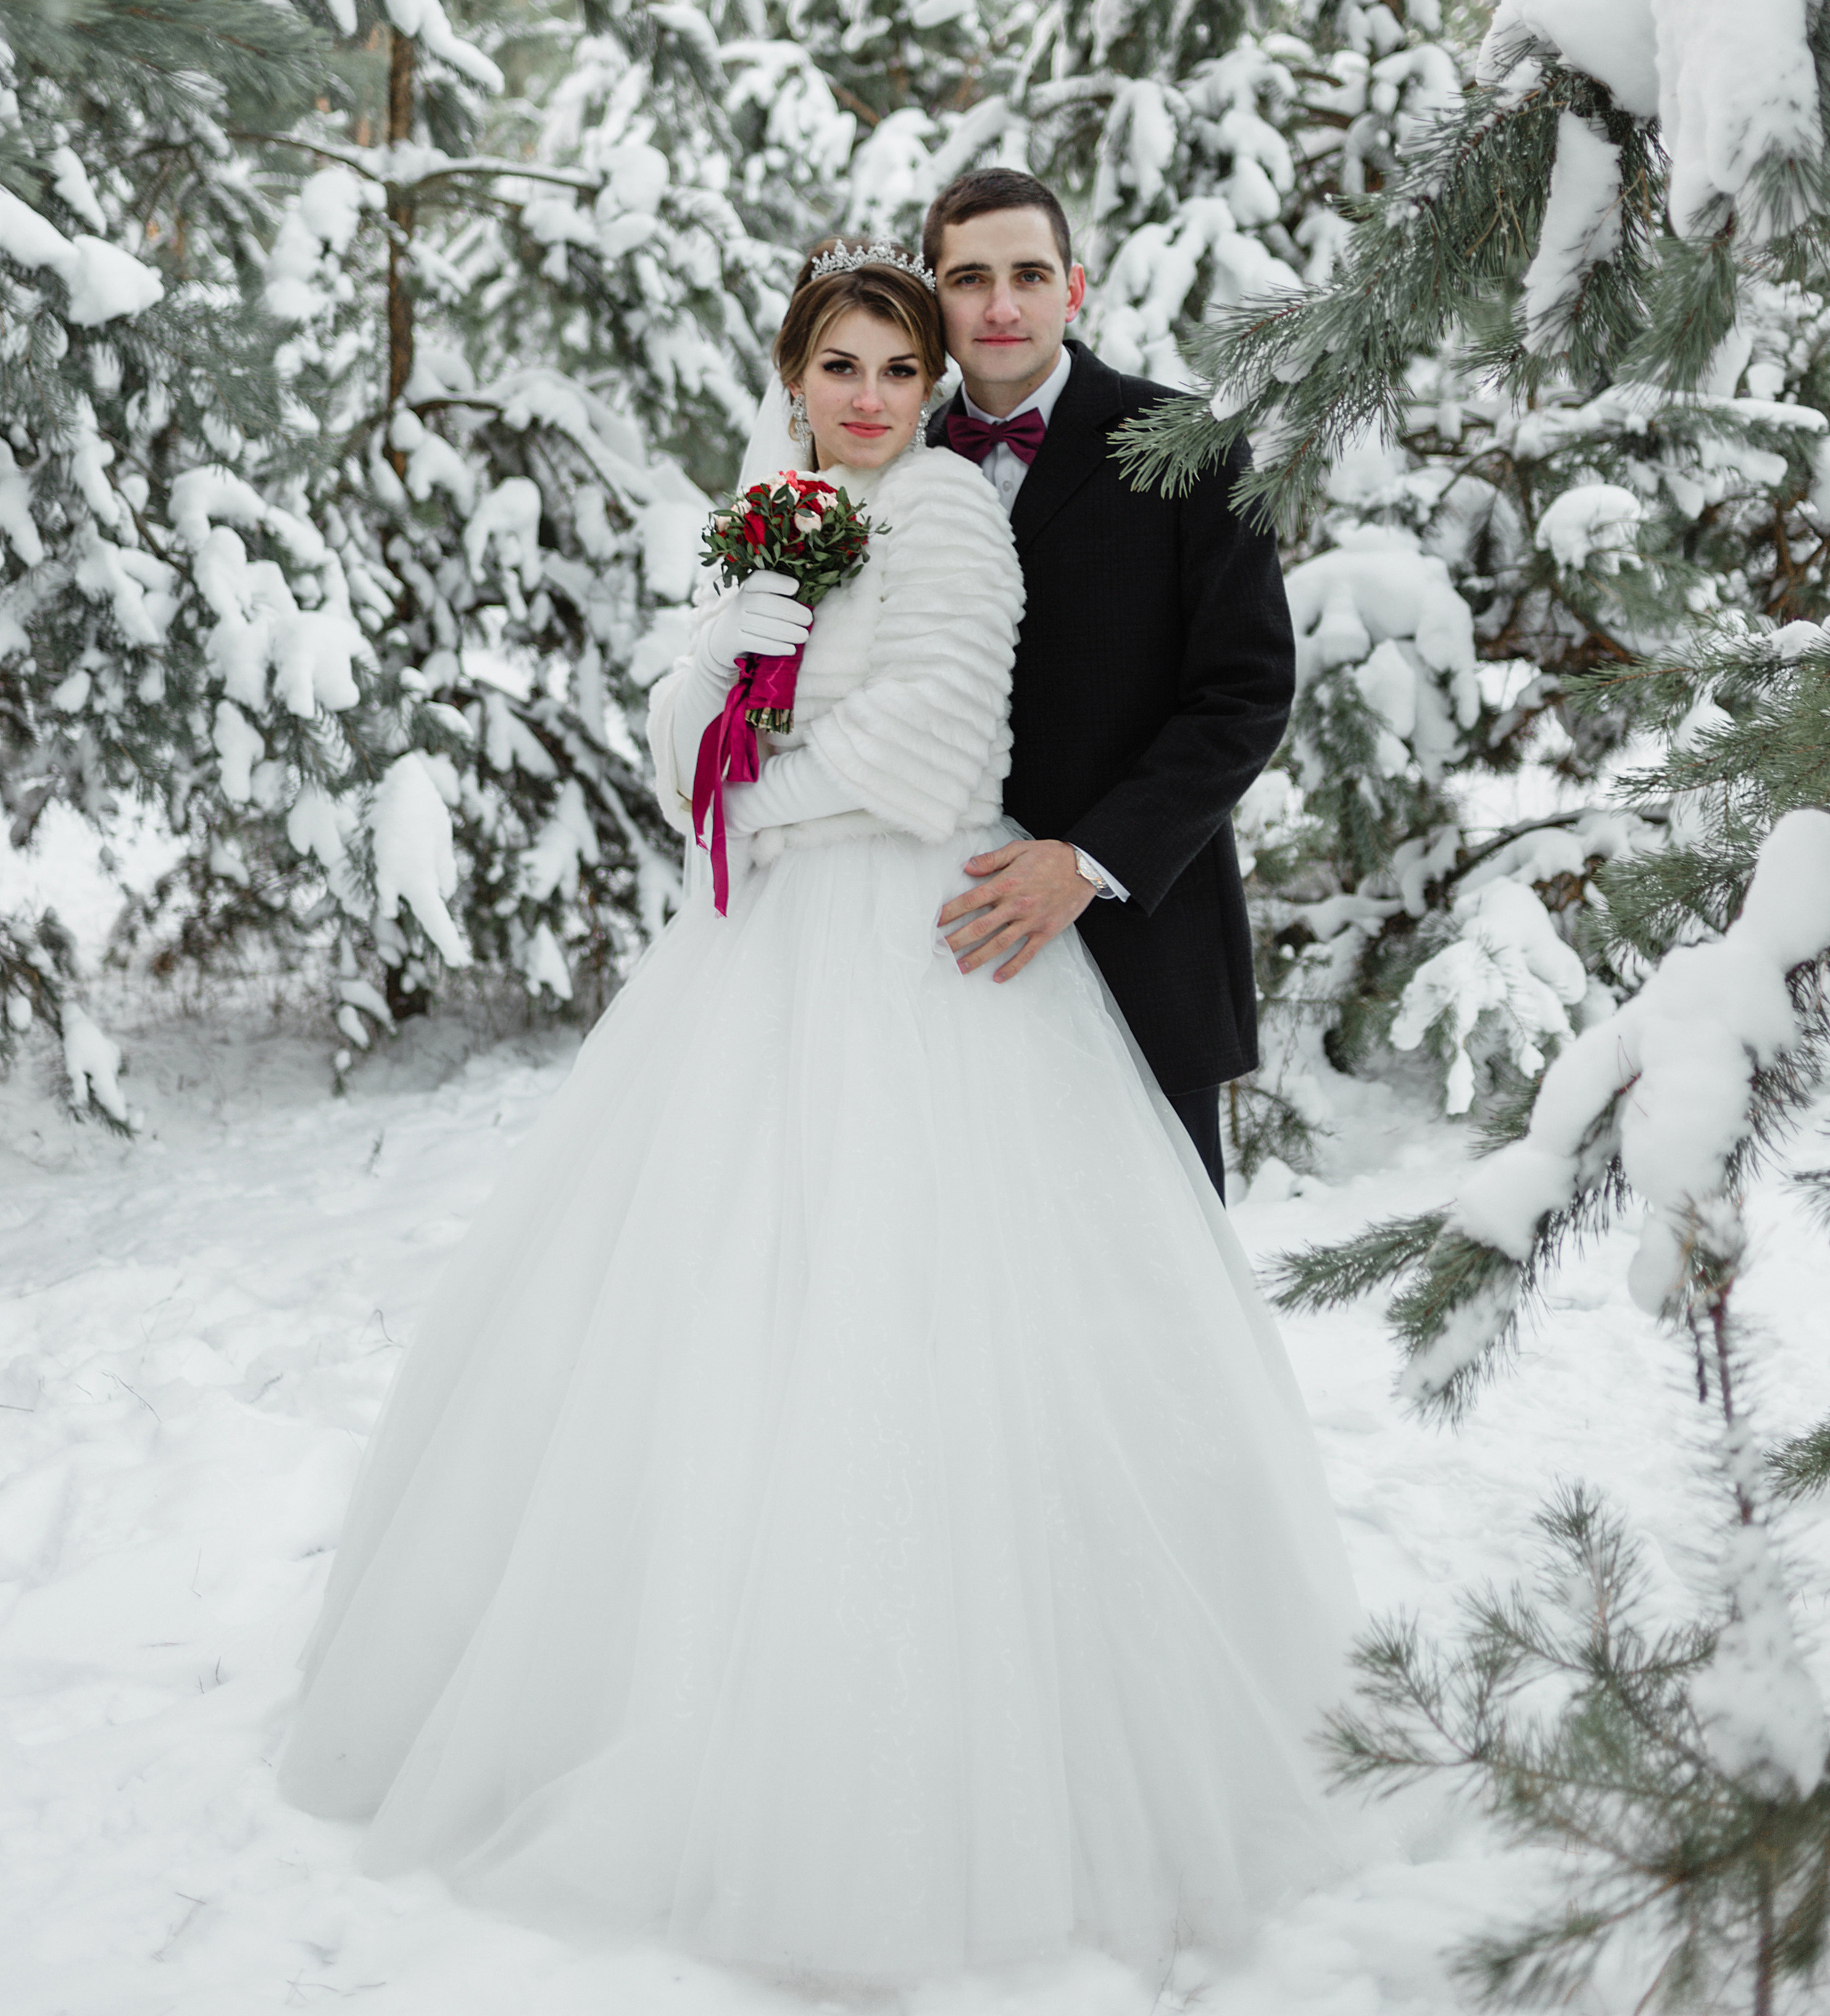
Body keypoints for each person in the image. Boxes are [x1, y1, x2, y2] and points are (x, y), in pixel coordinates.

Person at [277, 236, 1358, 1992]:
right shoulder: (779, 509)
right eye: (837, 366)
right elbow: (674, 733)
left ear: (953, 362)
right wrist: (725, 673)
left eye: (893, 366)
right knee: (718, 1301)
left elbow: (930, 755)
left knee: (949, 1319)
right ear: (794, 378)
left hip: (921, 932)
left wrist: (756, 808)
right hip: (756, 960)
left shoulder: (944, 515)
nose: (867, 394)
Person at [925, 167, 1296, 1196]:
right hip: (940, 940)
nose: (1001, 306)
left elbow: (1246, 694)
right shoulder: (889, 462)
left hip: (1141, 942)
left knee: (1158, 1290)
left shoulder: (1191, 447)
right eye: (970, 278)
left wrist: (1088, 861)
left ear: (1074, 289)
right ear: (933, 294)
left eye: (1029, 274)